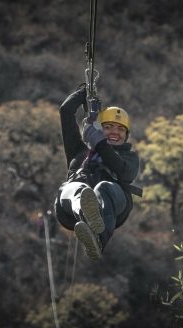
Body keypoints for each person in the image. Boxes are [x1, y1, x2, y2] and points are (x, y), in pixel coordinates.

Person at [54, 84, 142, 260]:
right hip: (70, 209)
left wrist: (99, 142)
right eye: (108, 127)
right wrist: (84, 91)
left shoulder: (130, 157)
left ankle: (98, 240)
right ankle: (86, 215)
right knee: (76, 188)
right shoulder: (78, 151)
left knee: (103, 187)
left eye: (120, 129)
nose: (114, 132)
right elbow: (66, 111)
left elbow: (124, 173)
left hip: (113, 205)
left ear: (126, 135)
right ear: (100, 128)